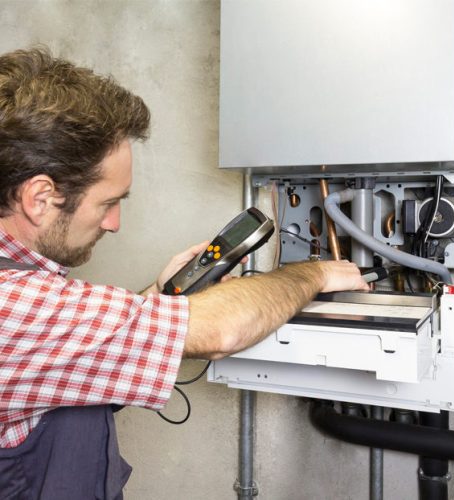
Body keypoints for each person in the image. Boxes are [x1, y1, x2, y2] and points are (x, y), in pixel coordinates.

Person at [0, 47, 368, 499]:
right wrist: (313, 274)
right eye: (108, 202)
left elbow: (65, 356)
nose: (114, 223)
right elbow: (220, 331)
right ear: (39, 198)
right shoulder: (14, 307)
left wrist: (157, 295)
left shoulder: (29, 292)